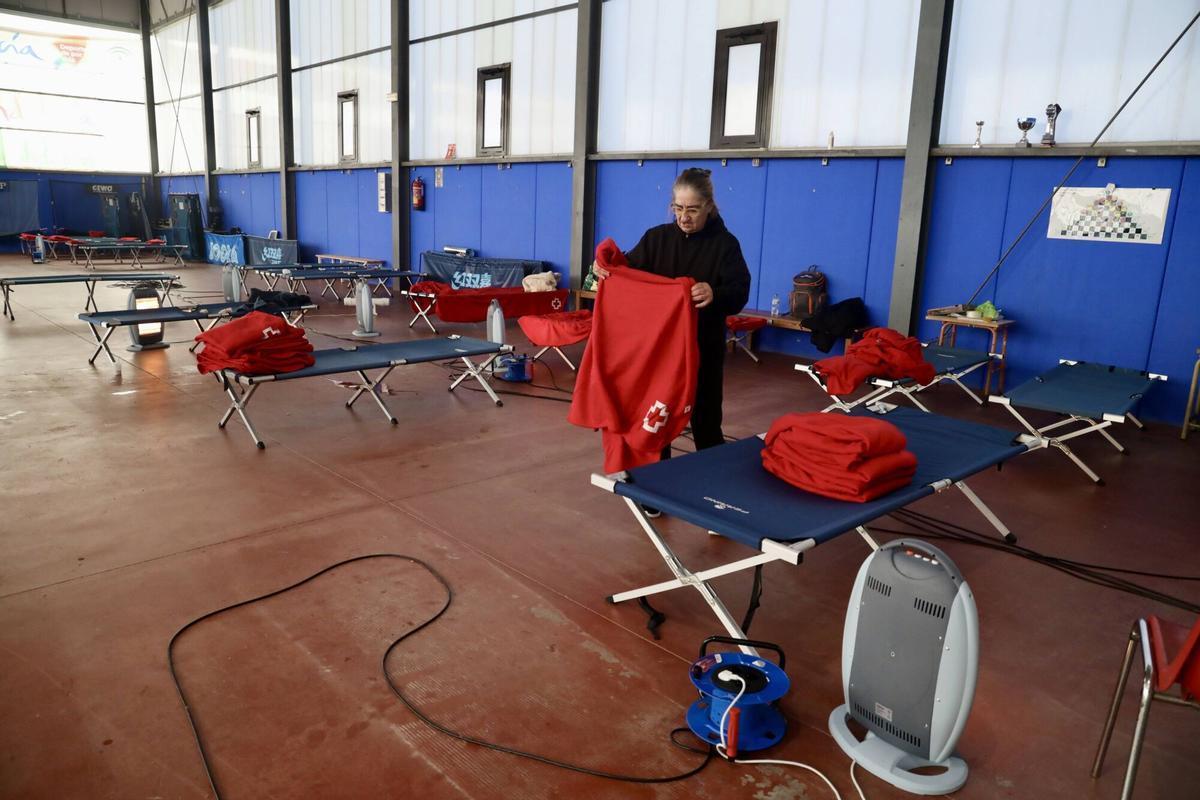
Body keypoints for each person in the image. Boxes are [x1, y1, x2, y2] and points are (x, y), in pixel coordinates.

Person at [593, 167, 751, 477]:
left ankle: (715, 487)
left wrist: (715, 293)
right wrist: (607, 269)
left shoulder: (725, 245)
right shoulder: (657, 238)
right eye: (678, 208)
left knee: (706, 421)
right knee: (656, 419)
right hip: (660, 352)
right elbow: (628, 271)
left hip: (702, 348)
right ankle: (657, 482)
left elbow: (739, 290)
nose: (684, 217)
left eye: (692, 209)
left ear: (709, 206)